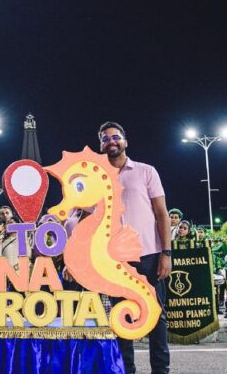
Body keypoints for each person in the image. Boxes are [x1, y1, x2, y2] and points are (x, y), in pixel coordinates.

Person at [69, 121, 171, 374]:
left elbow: (162, 214)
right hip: (113, 259)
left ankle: (161, 370)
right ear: (101, 145)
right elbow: (80, 219)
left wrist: (166, 254)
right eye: (105, 139)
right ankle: (126, 370)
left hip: (148, 254)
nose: (111, 141)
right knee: (120, 317)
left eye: (115, 137)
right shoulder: (94, 180)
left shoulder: (146, 171)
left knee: (156, 316)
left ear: (125, 141)